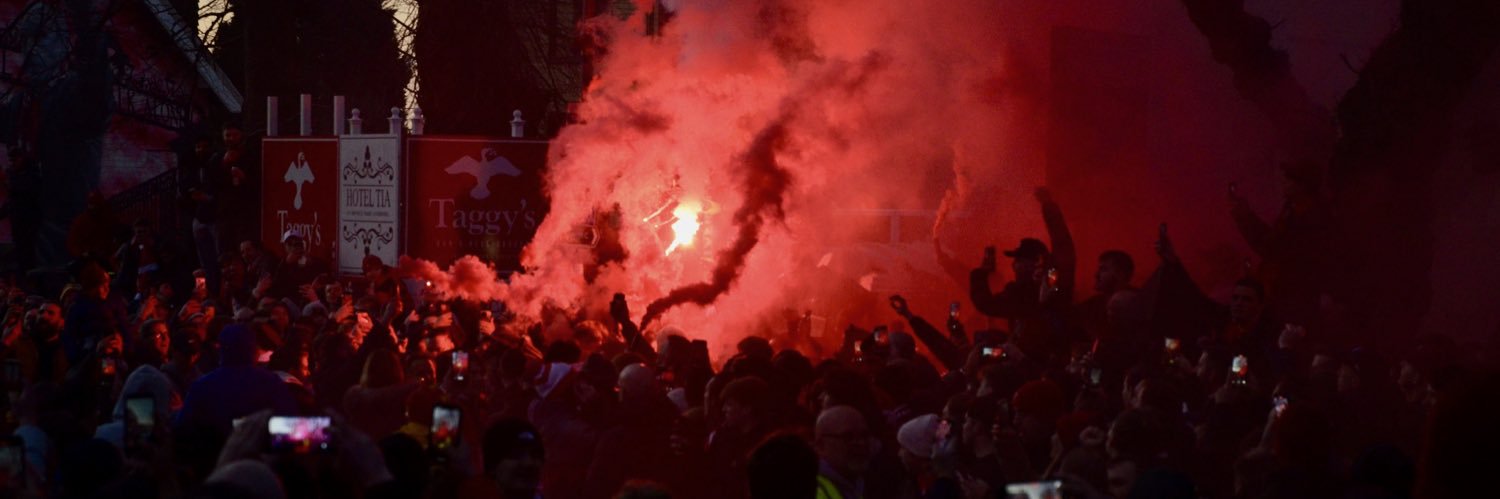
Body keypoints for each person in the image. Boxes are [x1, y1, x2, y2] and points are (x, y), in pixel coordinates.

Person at [175, 324, 297, 437]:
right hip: (259, 456)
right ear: (254, 350)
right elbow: (289, 427)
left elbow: (184, 428)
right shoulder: (272, 383)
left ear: (221, 350)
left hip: (218, 457)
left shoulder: (203, 386)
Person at [814, 405, 874, 499]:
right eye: (848, 437)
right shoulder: (811, 490)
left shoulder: (862, 483)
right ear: (821, 445)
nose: (861, 443)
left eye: (864, 435)